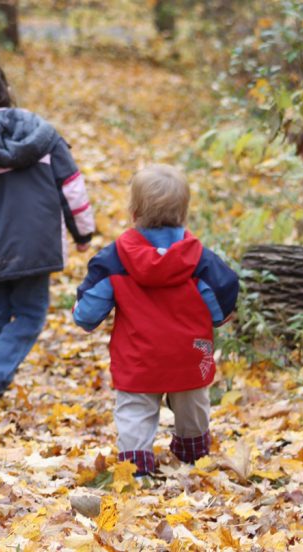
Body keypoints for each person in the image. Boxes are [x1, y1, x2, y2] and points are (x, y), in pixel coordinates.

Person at [0, 58, 95, 407]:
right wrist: (83, 232)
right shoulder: (43, 137)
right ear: (6, 90)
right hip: (38, 247)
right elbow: (72, 187)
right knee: (29, 314)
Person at [73, 164, 238, 475]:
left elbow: (88, 312)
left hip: (138, 357)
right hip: (189, 354)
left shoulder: (115, 260)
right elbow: (221, 303)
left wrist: (82, 316)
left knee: (135, 411)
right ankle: (193, 458)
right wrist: (219, 317)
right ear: (184, 214)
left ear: (134, 212)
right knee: (193, 405)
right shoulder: (199, 259)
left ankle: (136, 468)